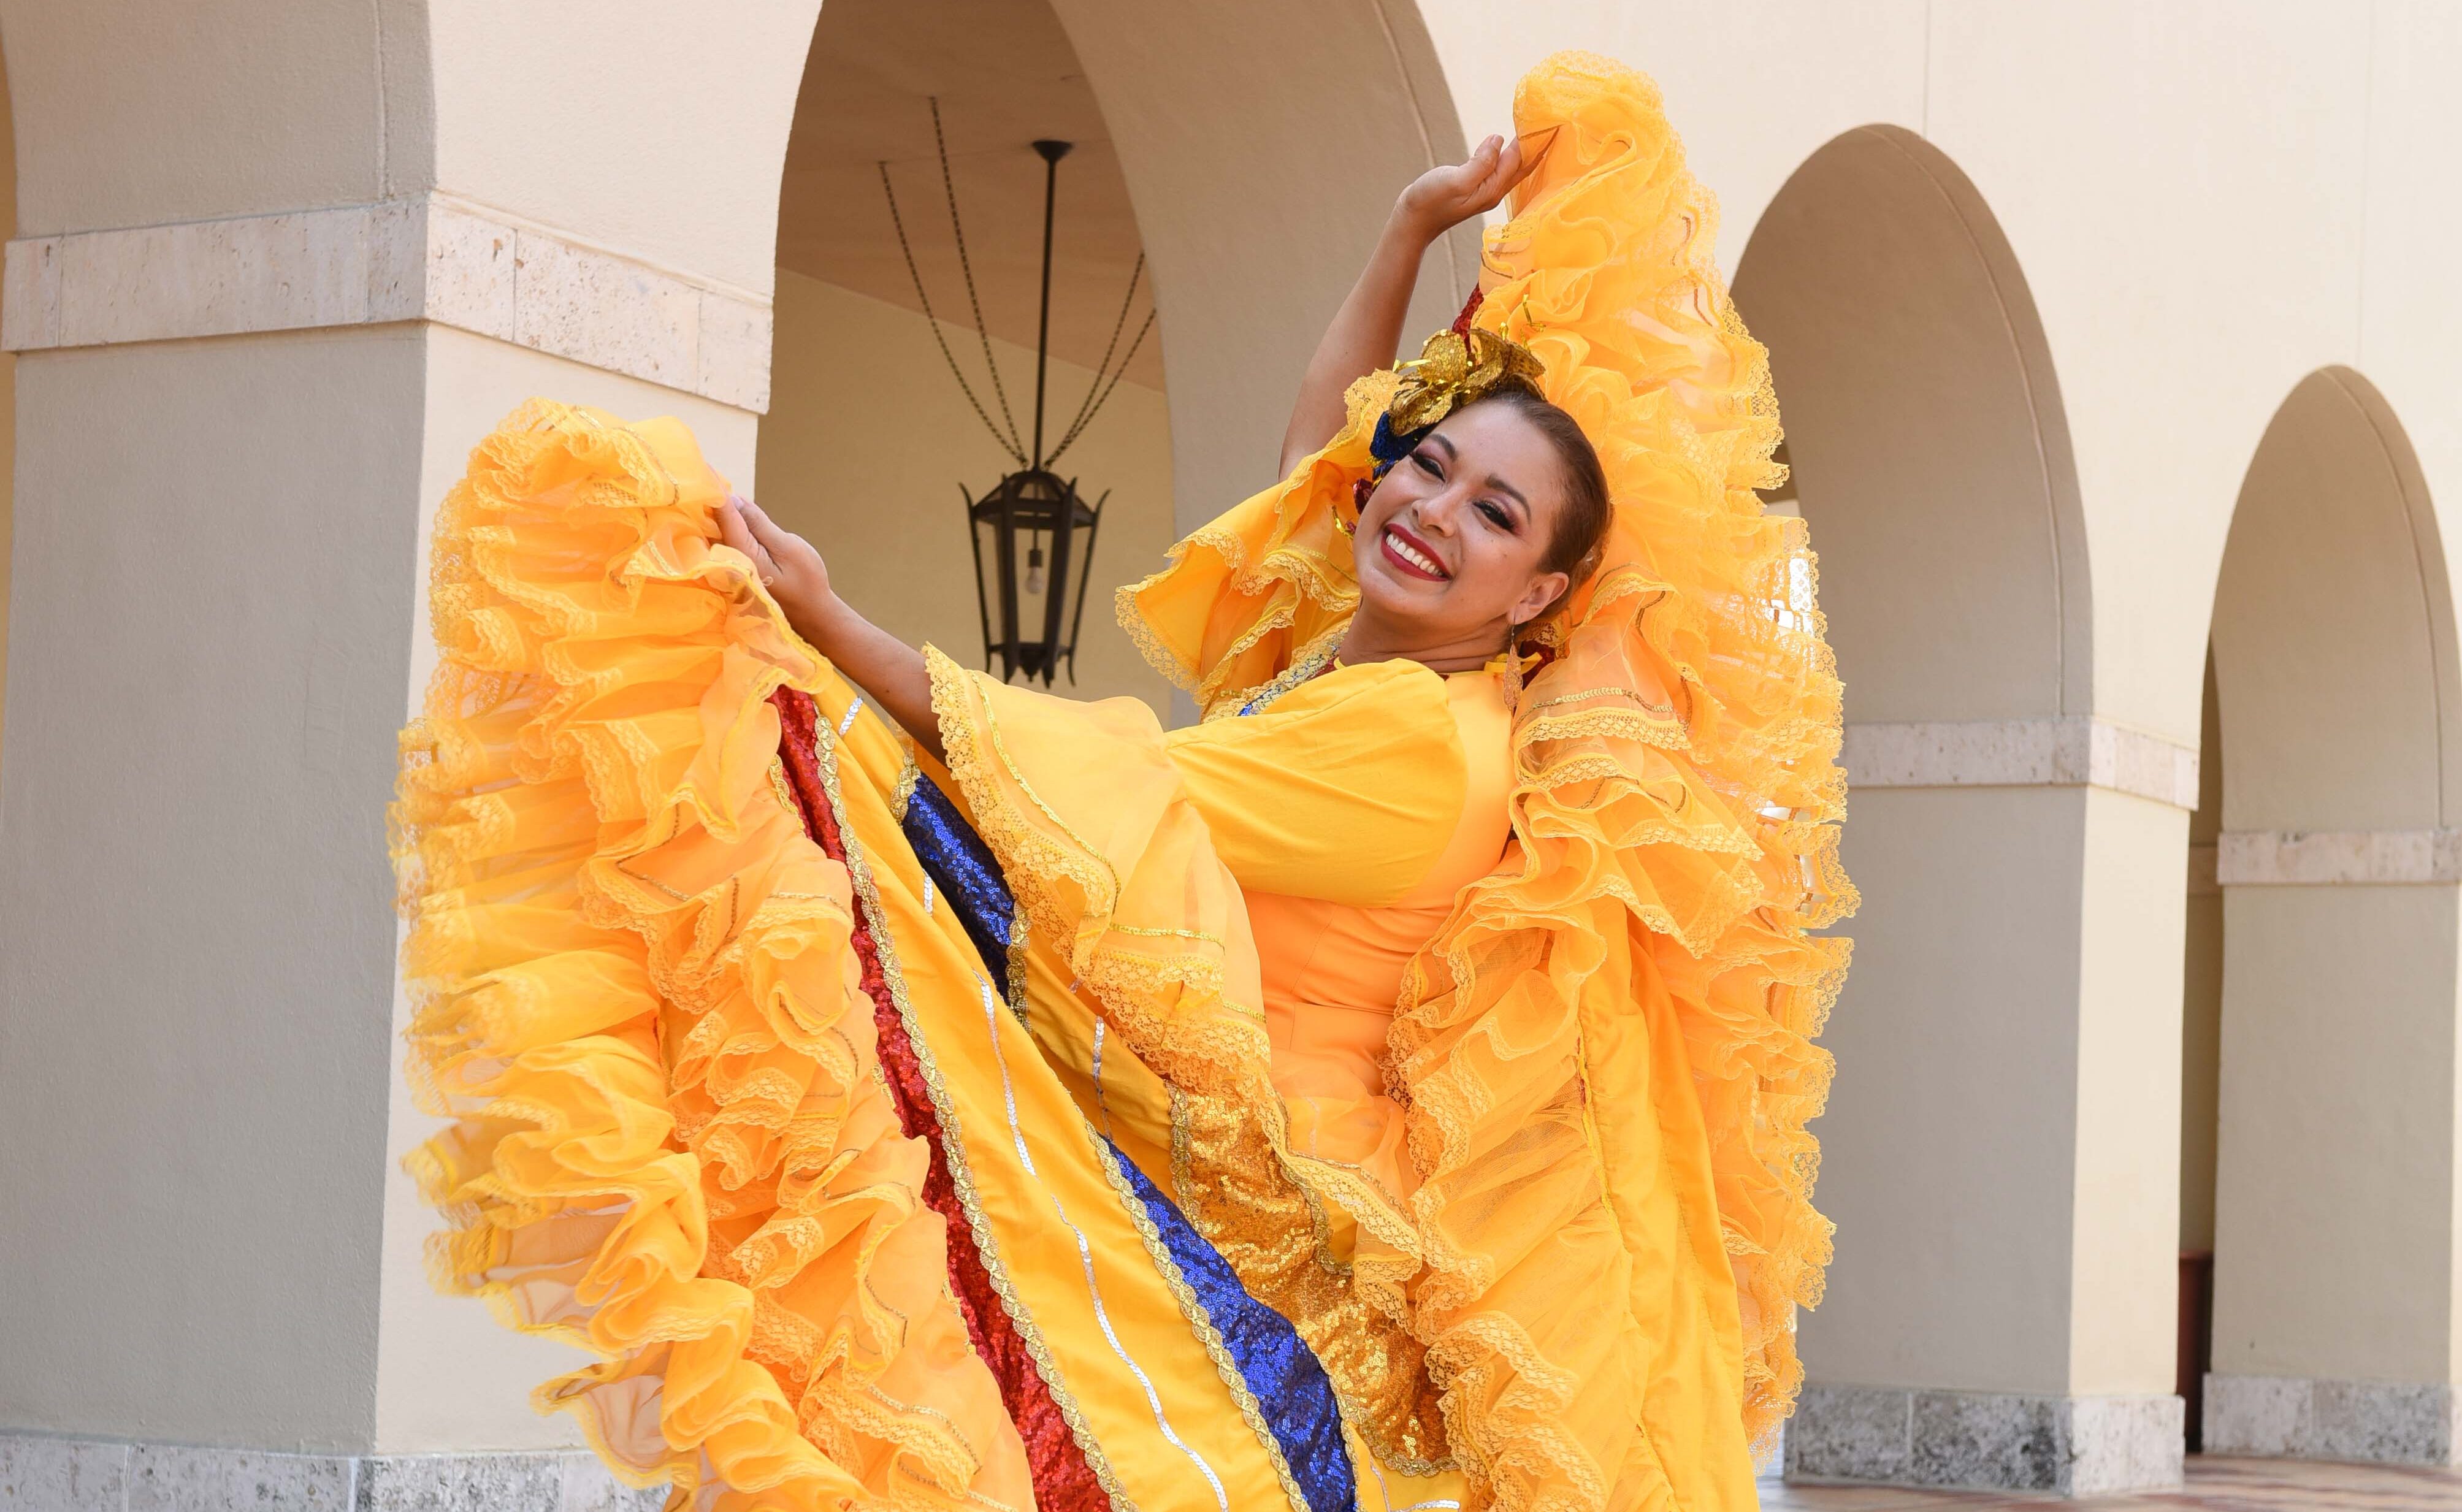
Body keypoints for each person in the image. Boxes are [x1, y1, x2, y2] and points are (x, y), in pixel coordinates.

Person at [391, 52, 1851, 1512]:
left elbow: (1102, 793)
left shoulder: (1418, 738)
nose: (1429, 509)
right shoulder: (1366, 656)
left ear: (1534, 596)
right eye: (1429, 465)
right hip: (1203, 1115)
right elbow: (1312, 452)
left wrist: (831, 630)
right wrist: (1408, 233)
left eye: (1494, 513)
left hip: (1255, 1189)